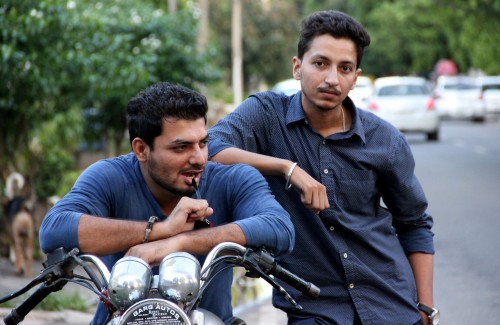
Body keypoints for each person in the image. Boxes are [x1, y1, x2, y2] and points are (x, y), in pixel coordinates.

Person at [208, 10, 438, 325]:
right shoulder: (266, 115)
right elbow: (210, 149)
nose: (332, 79)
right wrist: (288, 168)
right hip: (316, 307)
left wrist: (426, 309)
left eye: (344, 68)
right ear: (297, 66)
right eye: (320, 63)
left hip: (391, 304)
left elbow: (414, 225)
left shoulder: (385, 140)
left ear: (356, 77)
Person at [39, 82, 295, 325]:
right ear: (141, 150)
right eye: (181, 147)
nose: (199, 158)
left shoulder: (232, 179)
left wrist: (176, 243)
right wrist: (161, 230)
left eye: (203, 143)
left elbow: (279, 227)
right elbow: (53, 230)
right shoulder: (109, 176)